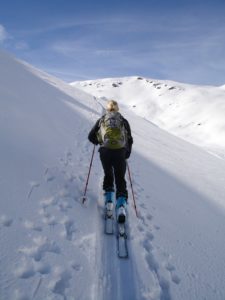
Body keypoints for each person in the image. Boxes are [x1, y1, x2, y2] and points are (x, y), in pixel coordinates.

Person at [88, 100, 133, 223]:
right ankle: (121, 206)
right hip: (120, 153)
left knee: (108, 175)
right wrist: (126, 153)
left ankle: (109, 202)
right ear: (117, 109)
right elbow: (130, 139)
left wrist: (98, 142)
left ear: (108, 109)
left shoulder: (102, 120)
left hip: (105, 152)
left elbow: (90, 136)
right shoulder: (123, 121)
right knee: (120, 178)